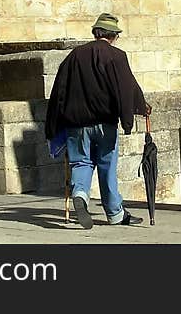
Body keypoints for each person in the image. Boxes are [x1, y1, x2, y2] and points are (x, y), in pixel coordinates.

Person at [45, 13, 152, 229]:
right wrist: (139, 108)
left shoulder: (74, 56)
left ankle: (80, 194)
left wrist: (54, 123)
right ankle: (114, 213)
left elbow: (60, 90)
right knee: (107, 165)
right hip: (105, 122)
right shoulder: (117, 56)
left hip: (76, 123)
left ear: (96, 33)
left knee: (81, 162)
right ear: (114, 36)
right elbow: (127, 87)